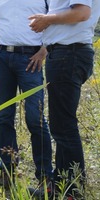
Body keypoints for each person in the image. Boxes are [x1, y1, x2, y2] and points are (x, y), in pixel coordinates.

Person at [0, 0, 53, 191]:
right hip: (2, 57)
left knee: (36, 118)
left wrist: (44, 51)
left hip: (31, 58)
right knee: (4, 116)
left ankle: (45, 176)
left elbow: (55, 21)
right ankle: (7, 171)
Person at [29, 0, 100, 198]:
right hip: (65, 54)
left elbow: (82, 13)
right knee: (61, 125)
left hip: (68, 54)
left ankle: (73, 191)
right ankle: (61, 186)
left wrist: (46, 20)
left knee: (64, 126)